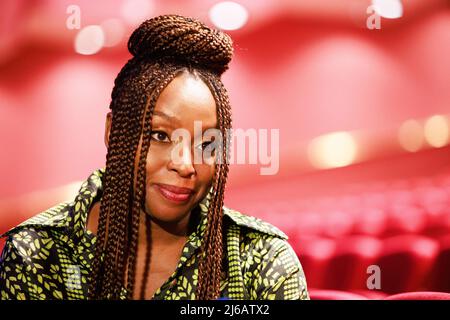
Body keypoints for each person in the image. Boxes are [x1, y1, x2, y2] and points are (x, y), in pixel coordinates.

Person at [0, 14, 309, 300]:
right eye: (160, 136)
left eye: (206, 144)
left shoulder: (263, 259)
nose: (186, 165)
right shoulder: (38, 253)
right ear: (113, 131)